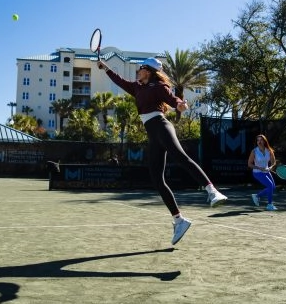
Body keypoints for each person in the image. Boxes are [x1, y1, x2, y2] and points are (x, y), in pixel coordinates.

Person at [97, 57, 228, 245]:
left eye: (141, 68)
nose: (138, 70)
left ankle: (212, 191)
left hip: (161, 125)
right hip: (152, 134)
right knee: (157, 180)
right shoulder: (137, 87)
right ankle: (179, 220)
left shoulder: (158, 86)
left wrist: (179, 105)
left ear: (148, 71)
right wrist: (105, 68)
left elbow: (172, 98)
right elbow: (119, 80)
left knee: (180, 157)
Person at [248, 134, 277, 211]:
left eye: (261, 140)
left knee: (273, 187)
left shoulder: (269, 151)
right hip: (257, 172)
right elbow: (249, 164)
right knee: (270, 186)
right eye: (258, 140)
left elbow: (274, 162)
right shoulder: (254, 151)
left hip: (267, 171)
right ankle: (269, 205)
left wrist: (270, 167)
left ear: (264, 141)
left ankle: (257, 196)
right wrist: (259, 168)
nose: (259, 141)